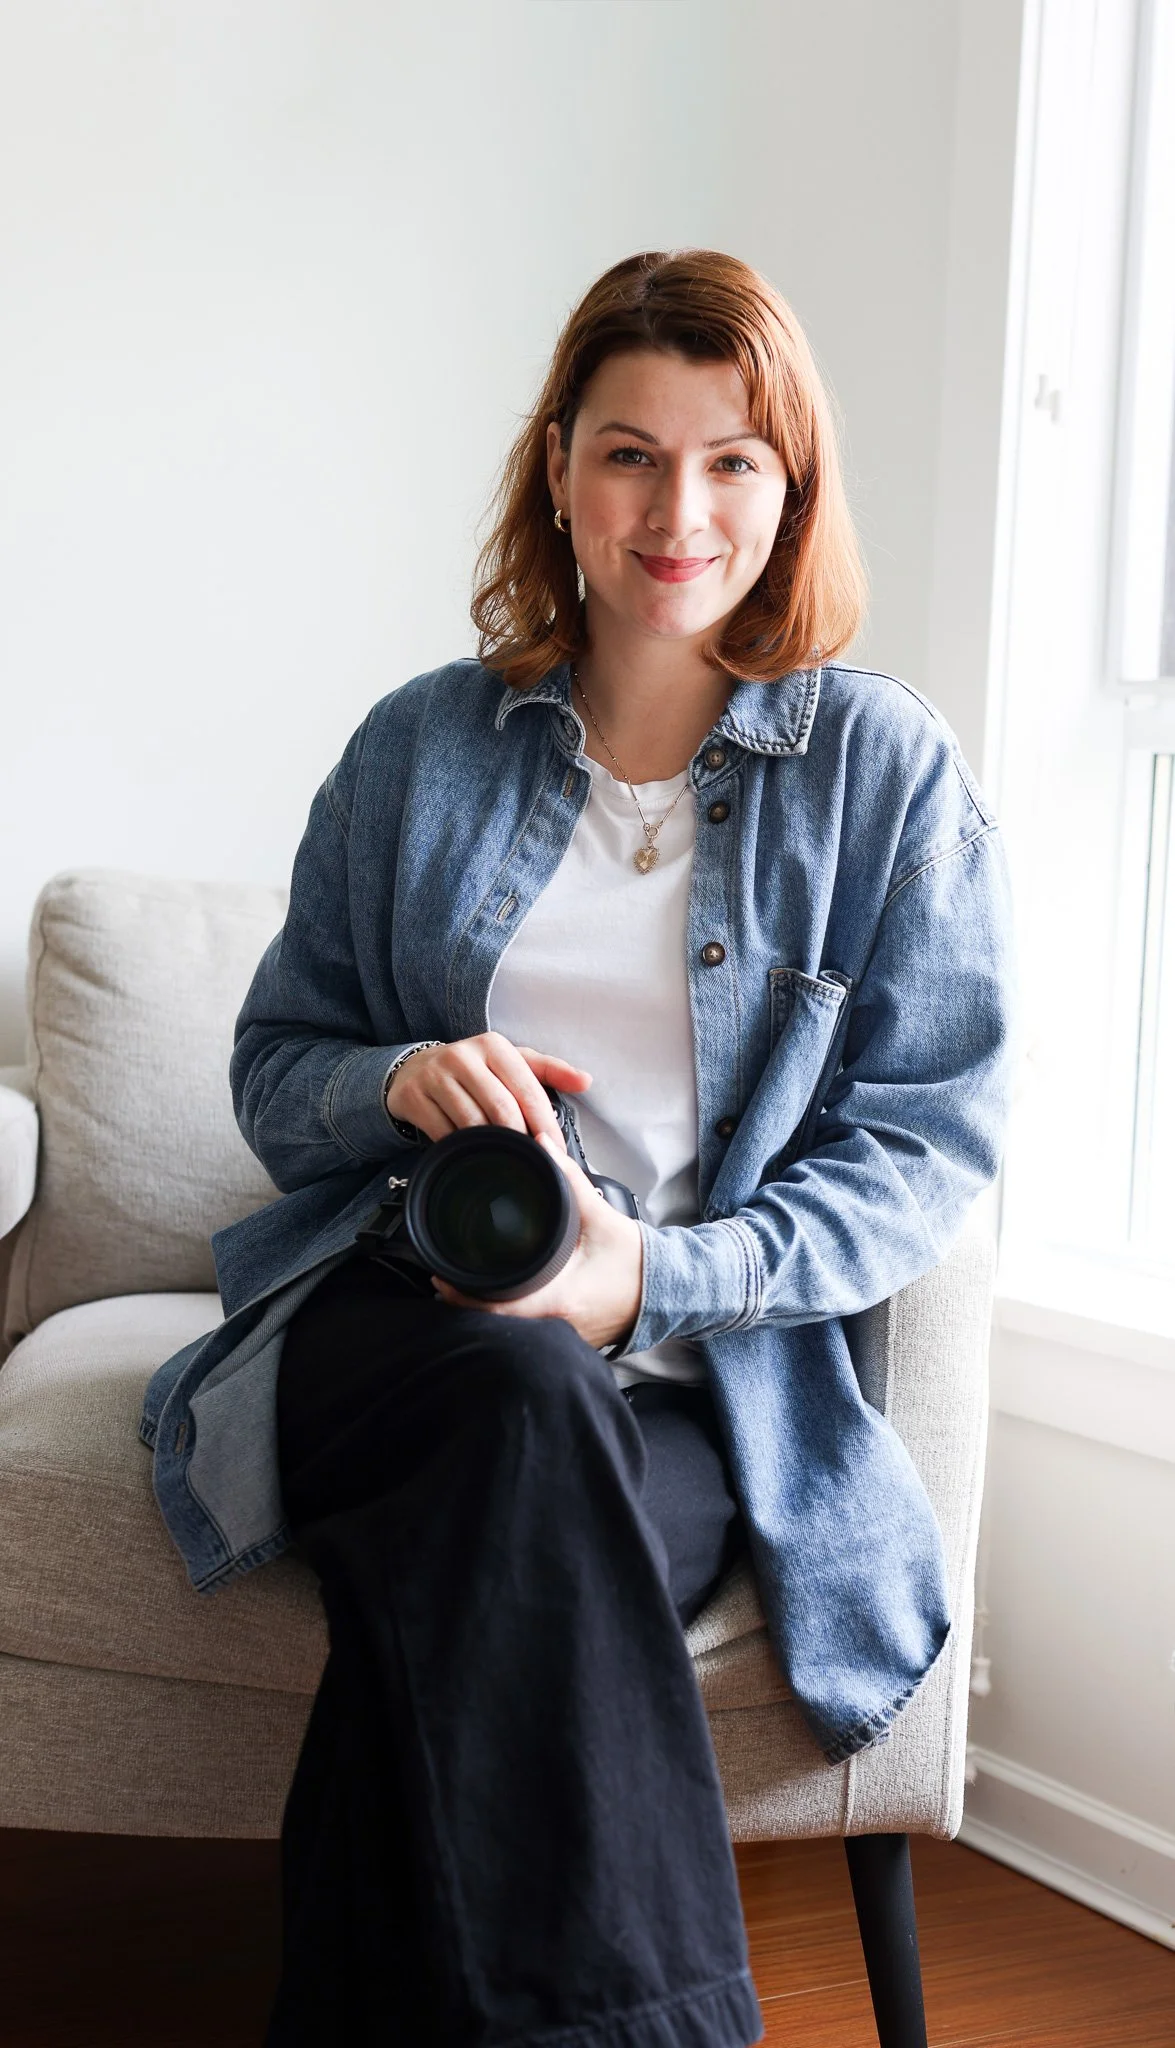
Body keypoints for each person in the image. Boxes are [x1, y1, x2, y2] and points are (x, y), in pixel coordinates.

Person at [138, 248, 1016, 2048]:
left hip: (699, 1386)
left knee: (491, 1538)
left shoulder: (883, 776)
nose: (676, 512)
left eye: (729, 463)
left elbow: (923, 1152)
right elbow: (271, 1061)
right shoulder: (418, 750)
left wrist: (653, 1277)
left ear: (791, 486)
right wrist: (397, 1080)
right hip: (388, 1317)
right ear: (556, 467)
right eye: (629, 454)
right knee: (513, 1405)